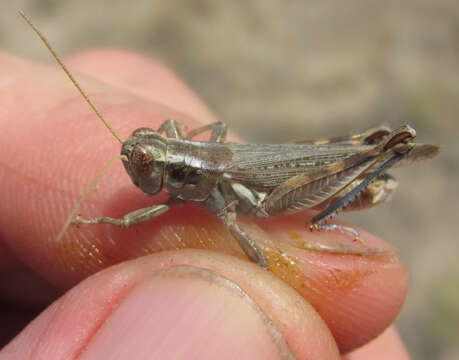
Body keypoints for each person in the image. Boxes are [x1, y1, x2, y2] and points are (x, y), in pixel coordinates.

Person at [0, 49, 410, 359]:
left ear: (173, 167)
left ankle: (369, 160)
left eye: (145, 162)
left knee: (257, 248)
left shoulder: (202, 190)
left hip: (298, 188)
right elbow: (208, 130)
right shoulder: (183, 174)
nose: (138, 168)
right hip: (226, 165)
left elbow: (213, 139)